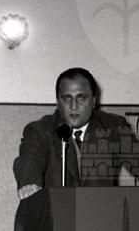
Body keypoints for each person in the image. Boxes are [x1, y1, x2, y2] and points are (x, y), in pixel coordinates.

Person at [13, 67, 137, 199]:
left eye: (81, 98)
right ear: (57, 102)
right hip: (57, 210)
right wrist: (29, 183)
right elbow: (30, 160)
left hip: (102, 210)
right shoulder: (40, 130)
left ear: (93, 101)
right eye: (67, 98)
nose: (73, 106)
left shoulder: (113, 127)